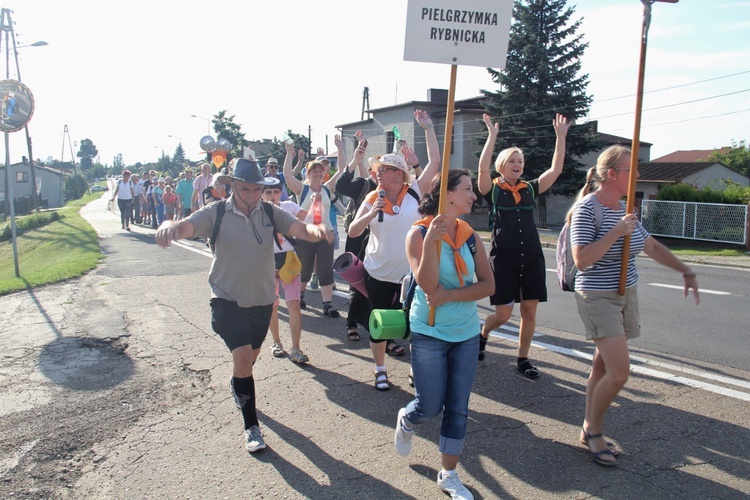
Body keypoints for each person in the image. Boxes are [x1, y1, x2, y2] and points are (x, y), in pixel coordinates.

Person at [155, 159, 332, 453]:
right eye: (244, 189)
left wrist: (317, 232)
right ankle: (252, 427)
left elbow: (300, 229)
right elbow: (188, 225)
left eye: (255, 190)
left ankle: (238, 383)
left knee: (249, 360)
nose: (250, 195)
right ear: (233, 185)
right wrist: (169, 226)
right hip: (227, 299)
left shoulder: (269, 212)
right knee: (241, 358)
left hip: (262, 300)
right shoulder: (218, 212)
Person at [569, 145, 700, 466]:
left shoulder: (624, 209)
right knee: (619, 372)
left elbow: (651, 246)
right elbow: (582, 259)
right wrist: (616, 232)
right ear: (613, 174)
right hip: (598, 295)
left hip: (626, 293)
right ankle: (594, 431)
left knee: (601, 367)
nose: (638, 174)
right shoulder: (589, 209)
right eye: (632, 169)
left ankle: (589, 427)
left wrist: (685, 270)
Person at [394, 169, 493, 500]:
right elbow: (427, 284)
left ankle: (449, 475)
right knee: (429, 406)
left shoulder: (471, 236)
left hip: (465, 333)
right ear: (447, 195)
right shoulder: (418, 235)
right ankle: (408, 419)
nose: (473, 195)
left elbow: (488, 285)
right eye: (467, 189)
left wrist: (451, 296)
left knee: (458, 407)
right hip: (430, 331)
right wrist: (434, 241)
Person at [348, 109, 440, 390]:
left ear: (399, 174)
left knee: (415, 325)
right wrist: (368, 213)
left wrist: (427, 128)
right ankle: (379, 369)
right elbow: (353, 231)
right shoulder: (372, 197)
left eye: (384, 170)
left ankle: (415, 370)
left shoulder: (414, 192)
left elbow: (435, 161)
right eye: (377, 170)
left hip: (411, 276)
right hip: (378, 274)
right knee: (379, 325)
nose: (378, 174)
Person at [476, 113, 571, 378]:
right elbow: (482, 170)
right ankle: (483, 335)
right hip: (503, 259)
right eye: (513, 161)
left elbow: (556, 170)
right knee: (504, 315)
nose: (518, 164)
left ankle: (523, 360)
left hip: (531, 257)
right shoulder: (492, 189)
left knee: (529, 311)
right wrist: (492, 137)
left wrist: (560, 137)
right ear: (503, 165)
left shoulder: (530, 188)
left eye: (520, 161)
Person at [282, 137, 344, 318]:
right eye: (314, 171)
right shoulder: (302, 189)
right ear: (308, 174)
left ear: (324, 173)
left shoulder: (327, 189)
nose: (317, 173)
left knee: (325, 268)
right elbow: (287, 175)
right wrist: (289, 153)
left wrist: (340, 148)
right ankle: (301, 295)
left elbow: (341, 169)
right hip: (305, 234)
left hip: (325, 234)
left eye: (320, 170)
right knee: (305, 268)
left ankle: (327, 304)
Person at [261, 183, 309, 363]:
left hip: (288, 260)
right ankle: (276, 343)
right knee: (272, 305)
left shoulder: (288, 206)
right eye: (268, 192)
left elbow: (309, 218)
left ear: (280, 192)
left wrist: (315, 203)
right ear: (262, 194)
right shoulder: (257, 211)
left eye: (275, 191)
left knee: (294, 305)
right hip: (267, 262)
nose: (272, 195)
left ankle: (296, 348)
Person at [335, 132, 374, 342]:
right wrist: (355, 161)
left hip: (382, 244)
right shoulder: (365, 185)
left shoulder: (397, 191)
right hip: (359, 240)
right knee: (357, 284)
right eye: (379, 168)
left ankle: (380, 330)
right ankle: (351, 322)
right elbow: (341, 187)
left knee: (379, 285)